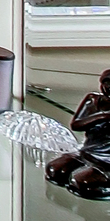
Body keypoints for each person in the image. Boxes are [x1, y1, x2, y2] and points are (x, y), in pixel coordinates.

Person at [45, 69, 110, 200]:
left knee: (83, 183)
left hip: (107, 159)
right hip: (88, 151)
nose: (108, 87)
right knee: (55, 170)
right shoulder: (93, 100)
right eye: (106, 83)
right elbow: (76, 125)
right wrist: (102, 116)